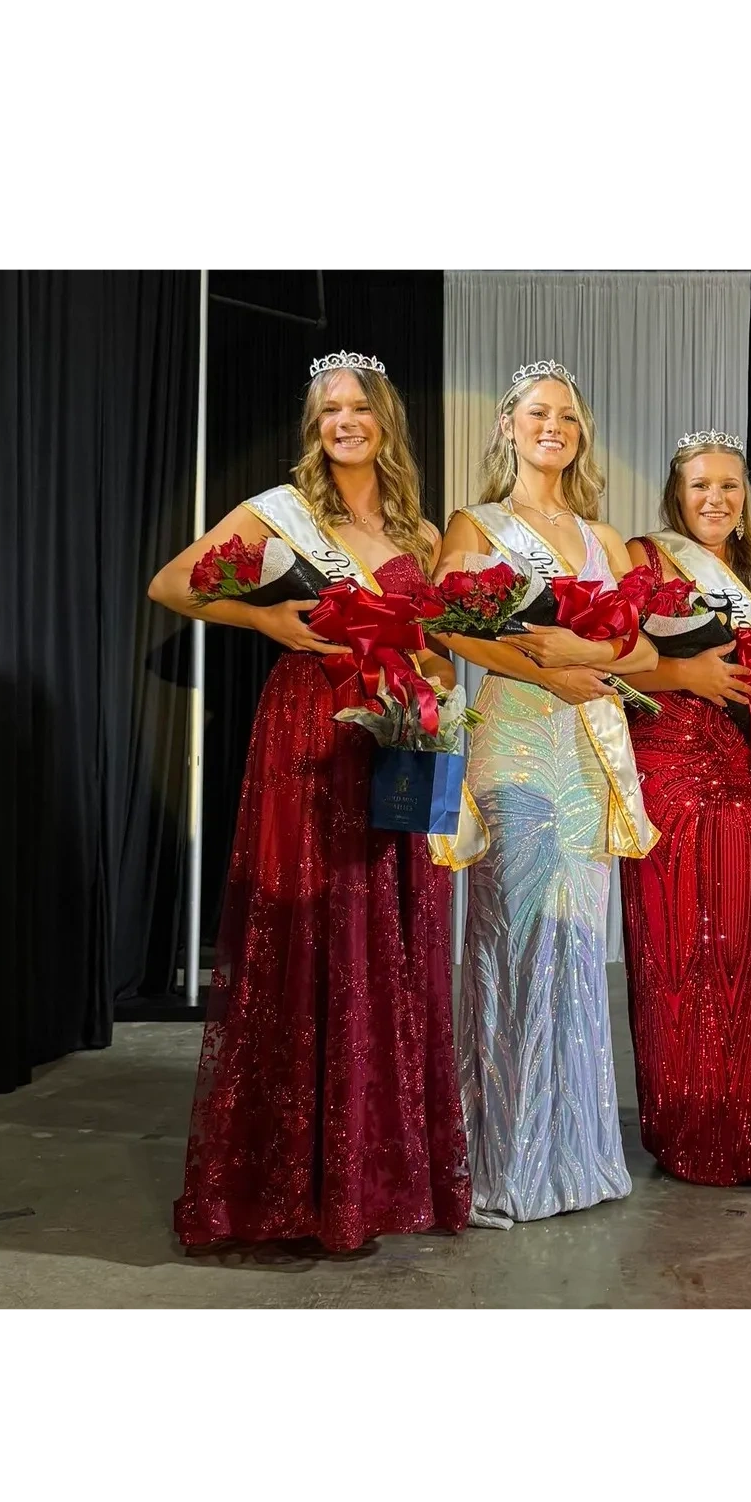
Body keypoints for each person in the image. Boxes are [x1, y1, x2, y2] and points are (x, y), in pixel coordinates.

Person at [149, 351, 471, 1252]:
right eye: (329, 410)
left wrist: (437, 690)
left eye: (359, 407)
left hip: (394, 739)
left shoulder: (419, 534)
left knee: (385, 934)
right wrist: (262, 618)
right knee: (310, 927)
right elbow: (171, 583)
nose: (344, 422)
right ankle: (293, 1181)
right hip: (308, 732)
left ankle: (376, 1176)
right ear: (314, 427)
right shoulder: (281, 513)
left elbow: (439, 649)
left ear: (385, 420)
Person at [432, 360, 660, 1229]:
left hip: (586, 748)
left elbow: (644, 653)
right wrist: (551, 670)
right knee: (514, 938)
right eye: (537, 413)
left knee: (575, 946)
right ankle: (506, 1160)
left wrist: (579, 660)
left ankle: (574, 1156)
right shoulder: (476, 524)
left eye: (566, 415)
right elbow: (447, 626)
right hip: (516, 741)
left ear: (581, 433)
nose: (552, 427)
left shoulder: (606, 539)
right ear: (508, 426)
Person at [618, 431, 751, 1187]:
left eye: (729, 486)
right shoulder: (644, 558)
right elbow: (613, 663)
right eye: (700, 485)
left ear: (744, 497)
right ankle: (691, 1130)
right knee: (681, 954)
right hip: (672, 774)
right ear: (677, 494)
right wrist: (686, 675)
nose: (715, 498)